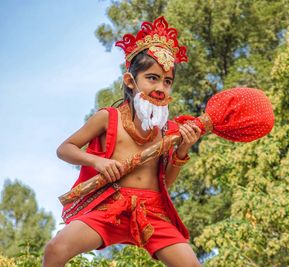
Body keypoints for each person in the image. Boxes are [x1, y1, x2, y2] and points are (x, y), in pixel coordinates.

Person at [43, 16, 202, 267]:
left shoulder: (169, 131)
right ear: (130, 81)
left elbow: (165, 184)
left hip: (153, 212)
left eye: (167, 81)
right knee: (55, 249)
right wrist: (97, 162)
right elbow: (64, 149)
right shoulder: (109, 117)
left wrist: (182, 150)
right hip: (109, 207)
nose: (161, 87)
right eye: (152, 78)